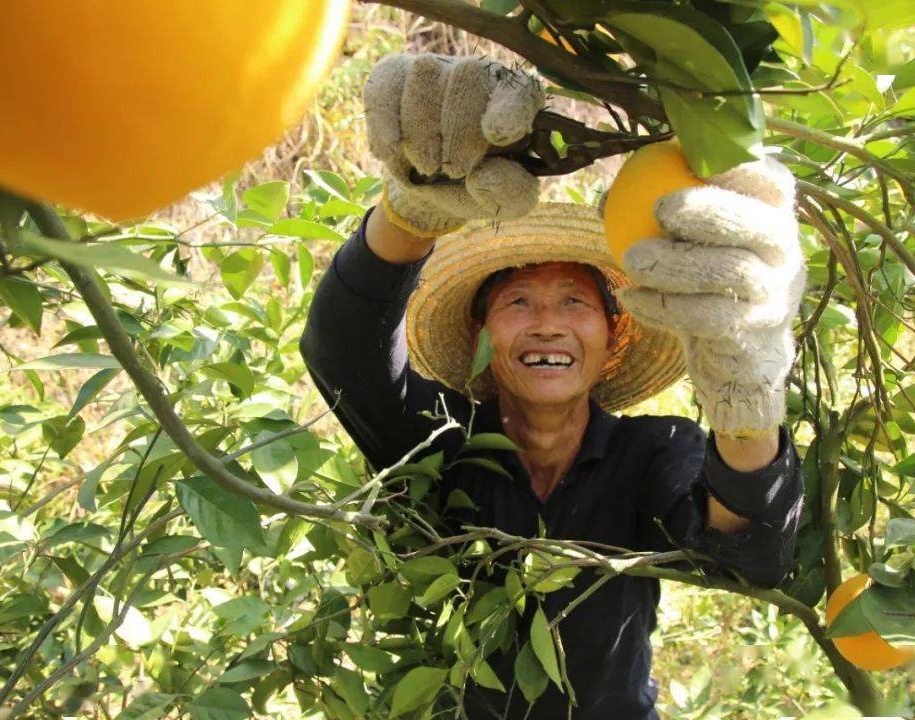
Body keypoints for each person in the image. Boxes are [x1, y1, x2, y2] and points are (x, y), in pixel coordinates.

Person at [300, 53, 805, 720]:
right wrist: (410, 212)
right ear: (482, 336)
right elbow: (344, 351)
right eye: (517, 304)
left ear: (613, 338)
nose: (547, 326)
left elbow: (747, 554)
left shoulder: (654, 452)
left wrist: (748, 404)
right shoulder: (440, 441)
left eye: (574, 304)